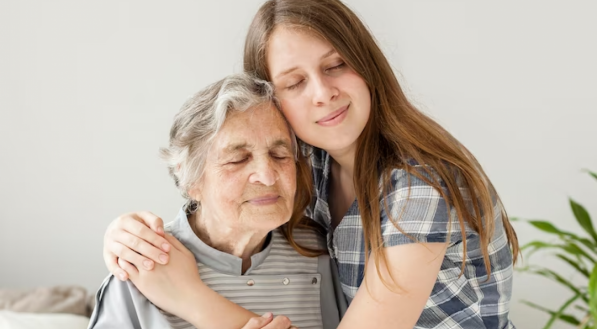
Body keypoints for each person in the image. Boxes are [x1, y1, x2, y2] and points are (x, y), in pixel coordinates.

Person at [102, 0, 520, 328]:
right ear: (272, 102)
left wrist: (189, 297)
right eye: (295, 82)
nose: (322, 92)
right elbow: (216, 186)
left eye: (336, 65)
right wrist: (125, 235)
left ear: (367, 65)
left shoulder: (417, 190)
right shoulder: (311, 167)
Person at [88, 74, 347, 329]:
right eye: (238, 159)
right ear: (190, 179)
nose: (268, 176)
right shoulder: (141, 260)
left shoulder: (318, 251)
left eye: (280, 155)